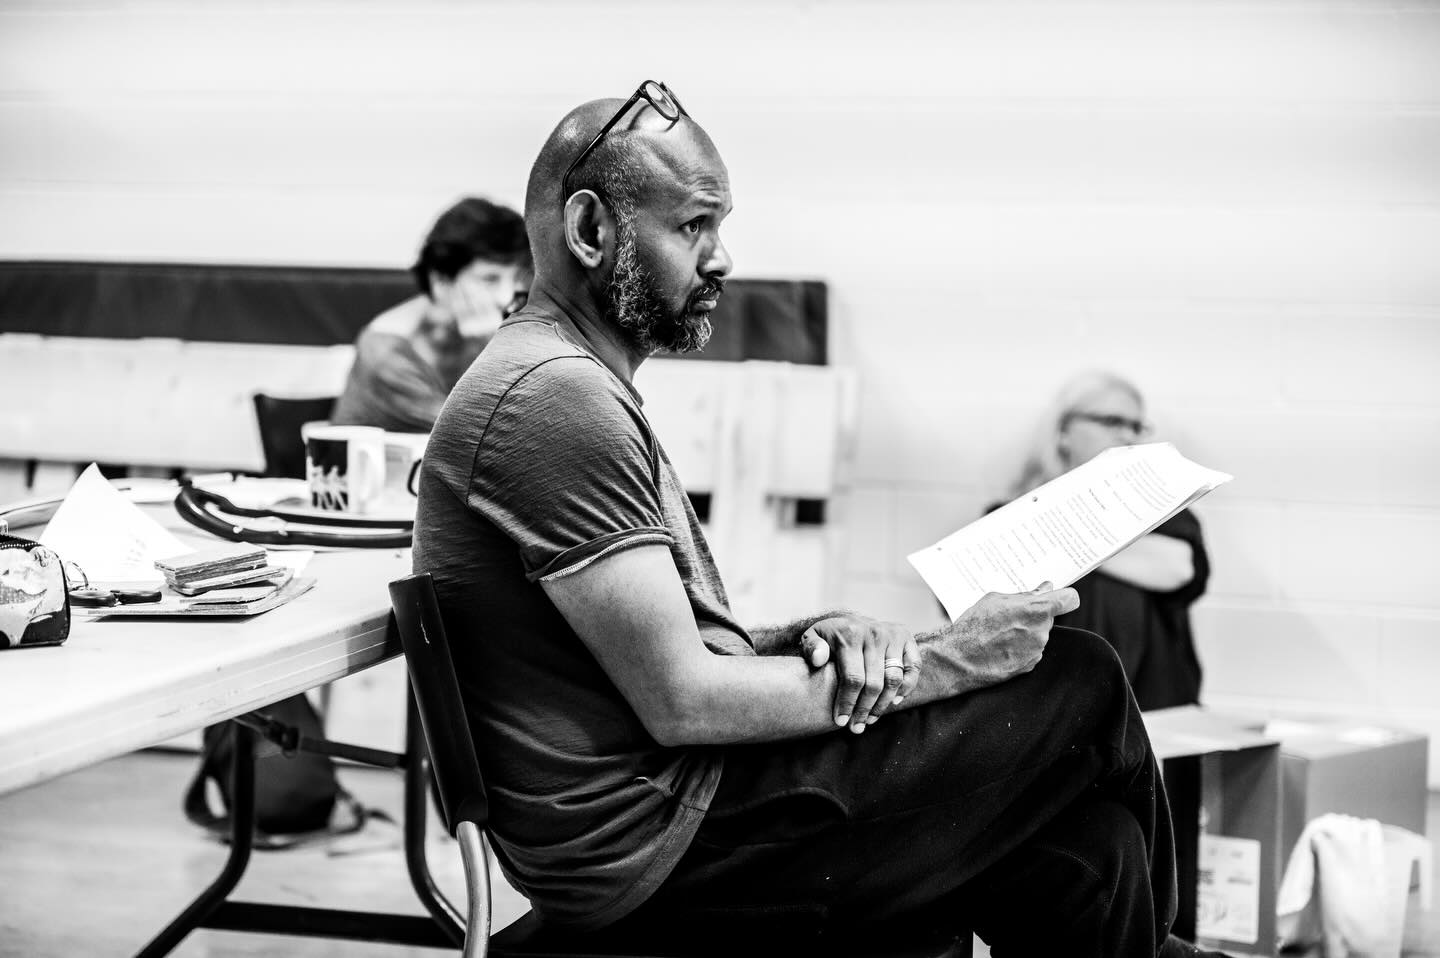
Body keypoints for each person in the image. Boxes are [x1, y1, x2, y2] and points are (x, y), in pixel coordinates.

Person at [413, 82, 1227, 957]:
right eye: (694, 227)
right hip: (663, 844)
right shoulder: (554, 397)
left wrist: (814, 634)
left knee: (1086, 854)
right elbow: (683, 699)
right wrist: (950, 659)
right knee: (1083, 680)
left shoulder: (564, 381)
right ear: (590, 231)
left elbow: (667, 652)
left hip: (676, 808)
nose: (721, 258)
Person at [1001, 371, 1211, 711]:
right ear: (1064, 431)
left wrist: (1048, 536)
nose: (1128, 434)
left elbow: (1179, 569)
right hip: (1045, 715)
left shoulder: (1164, 510)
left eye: (1137, 426)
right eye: (1112, 421)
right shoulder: (1008, 511)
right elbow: (967, 597)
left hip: (1154, 713)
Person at [331, 196, 530, 433]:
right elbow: (486, 435)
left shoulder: (493, 324)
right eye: (489, 279)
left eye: (516, 278)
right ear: (441, 281)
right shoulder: (388, 352)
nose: (506, 295)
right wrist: (491, 349)